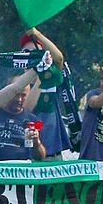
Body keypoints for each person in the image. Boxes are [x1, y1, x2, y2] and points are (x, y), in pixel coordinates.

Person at [20, 28, 74, 158]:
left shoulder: (52, 78)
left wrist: (37, 34)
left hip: (54, 153)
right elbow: (26, 110)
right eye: (27, 53)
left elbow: (59, 59)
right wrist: (40, 77)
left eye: (36, 53)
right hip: (31, 155)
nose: (32, 57)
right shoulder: (19, 84)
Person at [0, 73, 46, 161]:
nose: (19, 99)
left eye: (23, 95)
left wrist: (36, 142)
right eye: (16, 94)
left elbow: (40, 158)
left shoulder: (33, 120)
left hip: (20, 170)